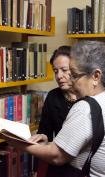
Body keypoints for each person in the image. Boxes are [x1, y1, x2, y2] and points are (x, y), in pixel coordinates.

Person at [1, 41, 105, 177]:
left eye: (74, 75)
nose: (71, 81)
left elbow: (57, 156)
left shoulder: (86, 107)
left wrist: (18, 143)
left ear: (96, 76)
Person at [36, 45, 77, 177]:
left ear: (76, 69)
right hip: (59, 161)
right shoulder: (53, 96)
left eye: (64, 70)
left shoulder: (89, 97)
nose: (59, 76)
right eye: (55, 71)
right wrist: (43, 137)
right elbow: (45, 131)